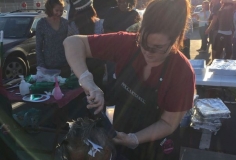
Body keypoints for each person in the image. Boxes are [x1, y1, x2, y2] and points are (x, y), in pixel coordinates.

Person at [63, 0, 195, 159]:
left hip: (157, 148)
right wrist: (88, 82)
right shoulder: (127, 43)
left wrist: (134, 138)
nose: (147, 52)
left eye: (158, 48)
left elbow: (168, 123)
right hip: (120, 137)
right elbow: (72, 42)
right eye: (143, 43)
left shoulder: (182, 72)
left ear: (175, 39)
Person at [67, 0, 105, 91]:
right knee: (99, 90)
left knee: (82, 92)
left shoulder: (72, 26)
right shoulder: (100, 23)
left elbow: (71, 47)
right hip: (98, 63)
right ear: (91, 8)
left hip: (81, 65)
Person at [36, 0, 70, 77]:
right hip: (48, 66)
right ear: (50, 9)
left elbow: (70, 42)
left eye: (61, 11)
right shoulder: (42, 24)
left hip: (65, 65)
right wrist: (41, 65)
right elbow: (38, 46)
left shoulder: (65, 23)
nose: (59, 13)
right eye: (57, 10)